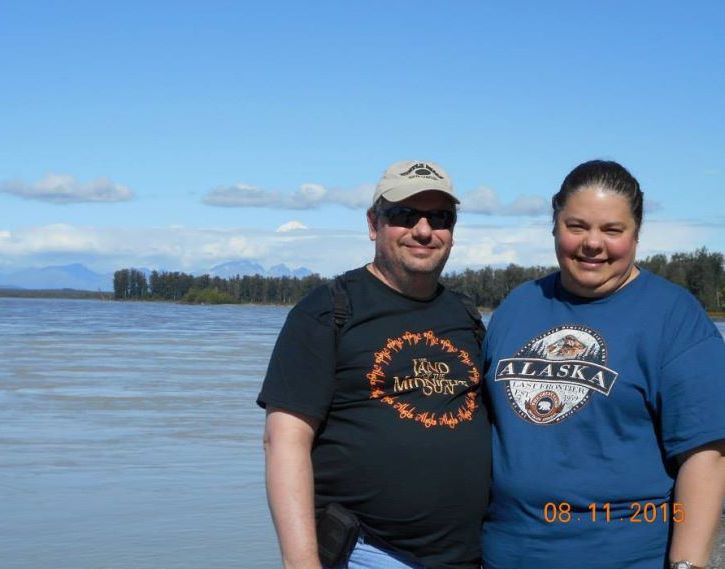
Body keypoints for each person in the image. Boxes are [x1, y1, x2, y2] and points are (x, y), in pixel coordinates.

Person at [482, 160, 725, 569]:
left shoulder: (673, 316)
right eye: (577, 226)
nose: (592, 243)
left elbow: (707, 456)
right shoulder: (518, 306)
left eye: (612, 230)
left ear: (635, 234)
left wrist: (688, 564)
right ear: (554, 224)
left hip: (623, 555)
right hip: (505, 553)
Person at [257, 160, 491, 568]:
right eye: (404, 215)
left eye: (440, 217)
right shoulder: (328, 312)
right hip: (370, 553)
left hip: (470, 556)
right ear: (373, 224)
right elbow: (284, 442)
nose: (423, 230)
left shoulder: (466, 316)